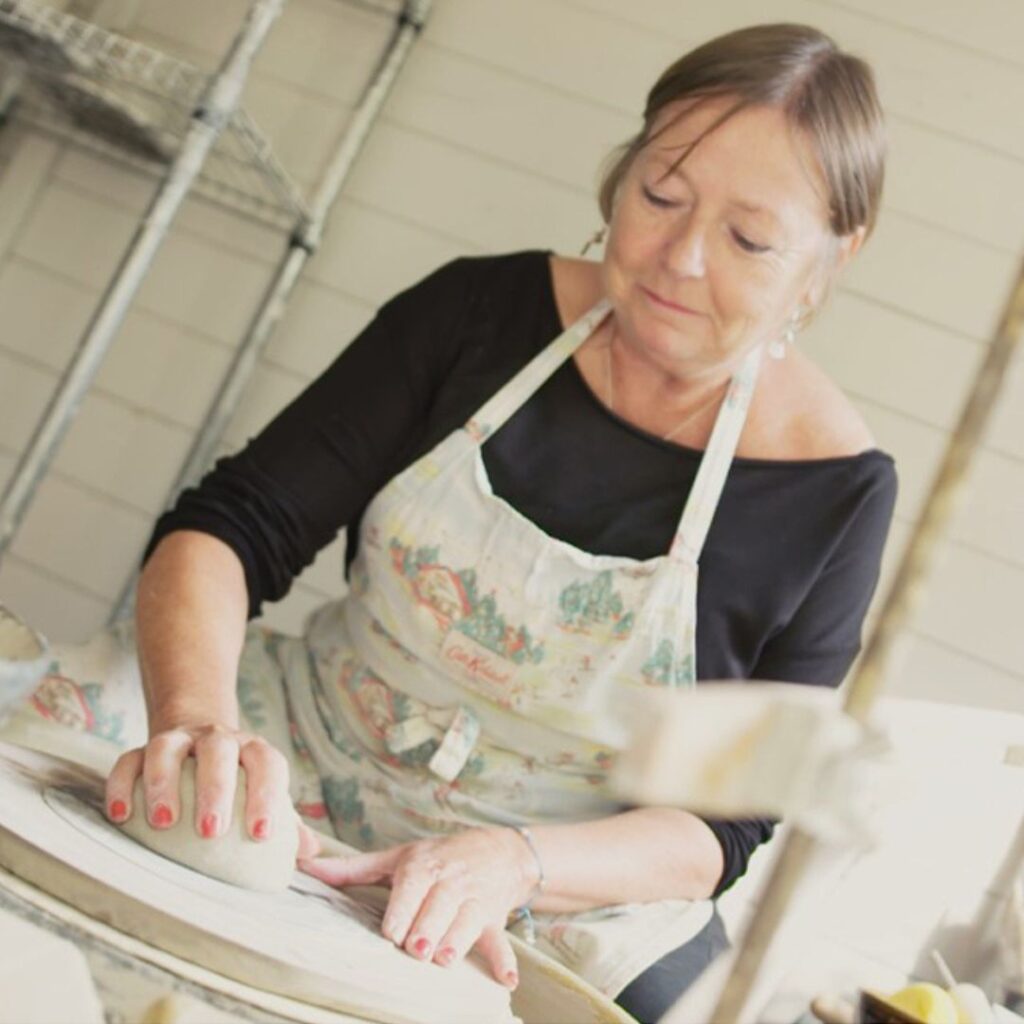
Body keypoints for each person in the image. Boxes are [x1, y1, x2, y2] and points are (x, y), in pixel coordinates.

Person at [28, 22, 898, 1023]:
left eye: (748, 240)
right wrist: (197, 719)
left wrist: (517, 863)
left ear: (833, 258)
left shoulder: (834, 491)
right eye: (660, 194)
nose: (681, 259)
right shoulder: (476, 312)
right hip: (292, 748)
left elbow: (723, 826)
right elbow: (228, 527)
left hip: (550, 877)